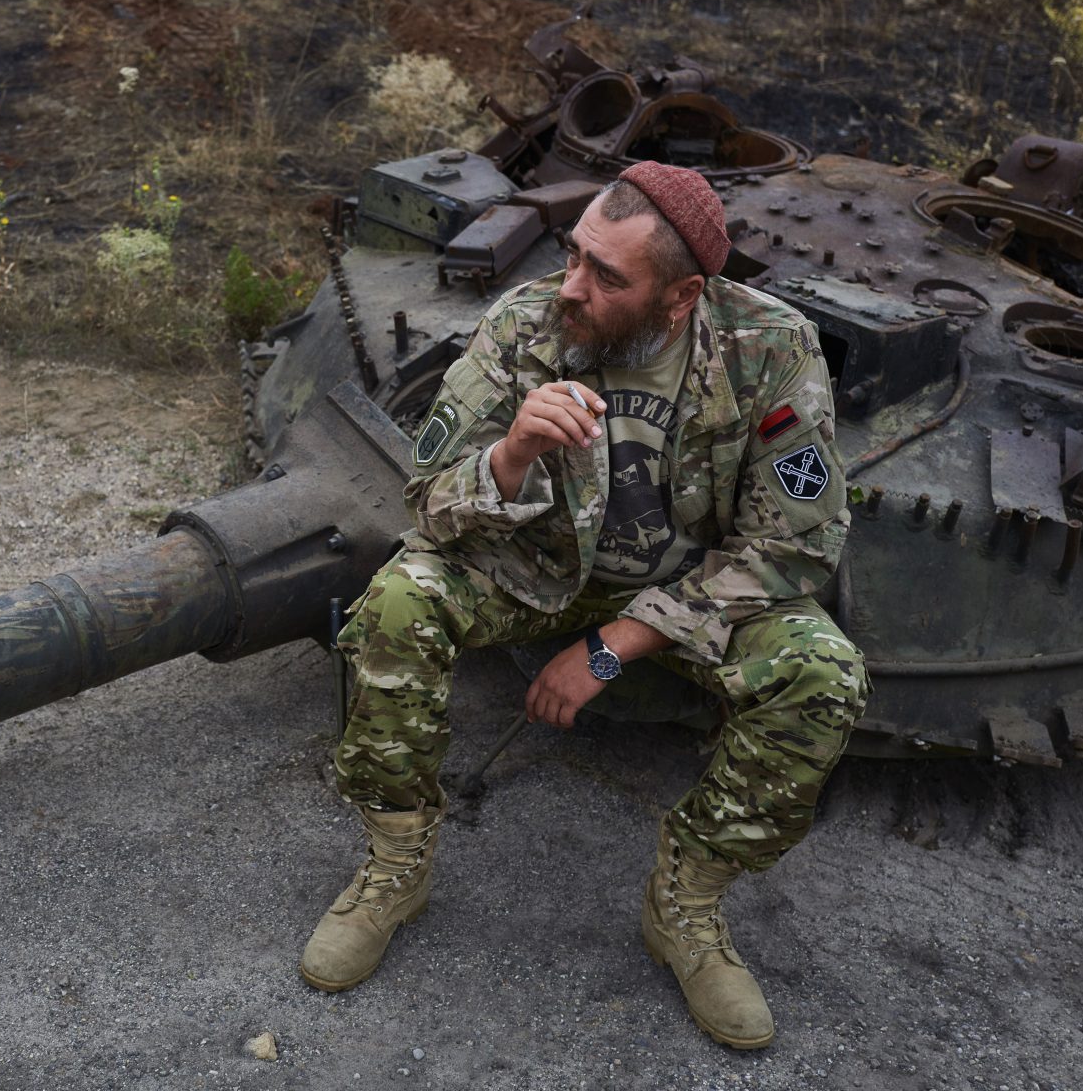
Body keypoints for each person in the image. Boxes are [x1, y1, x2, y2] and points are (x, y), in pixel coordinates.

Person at [298, 160, 868, 1050]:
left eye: (607, 277)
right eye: (575, 256)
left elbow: (797, 545)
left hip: (684, 595)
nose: (573, 288)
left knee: (821, 674)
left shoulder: (770, 350)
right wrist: (511, 455)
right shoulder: (525, 324)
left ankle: (686, 904)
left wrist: (612, 647)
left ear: (680, 297)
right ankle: (395, 863)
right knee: (396, 606)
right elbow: (428, 500)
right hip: (531, 570)